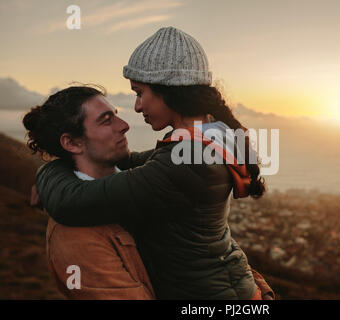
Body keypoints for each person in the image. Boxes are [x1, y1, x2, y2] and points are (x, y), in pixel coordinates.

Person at [35, 27, 274, 299]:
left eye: (139, 92)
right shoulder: (205, 140)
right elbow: (141, 162)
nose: (136, 107)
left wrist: (49, 170)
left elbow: (72, 201)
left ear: (167, 91)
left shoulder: (186, 162)